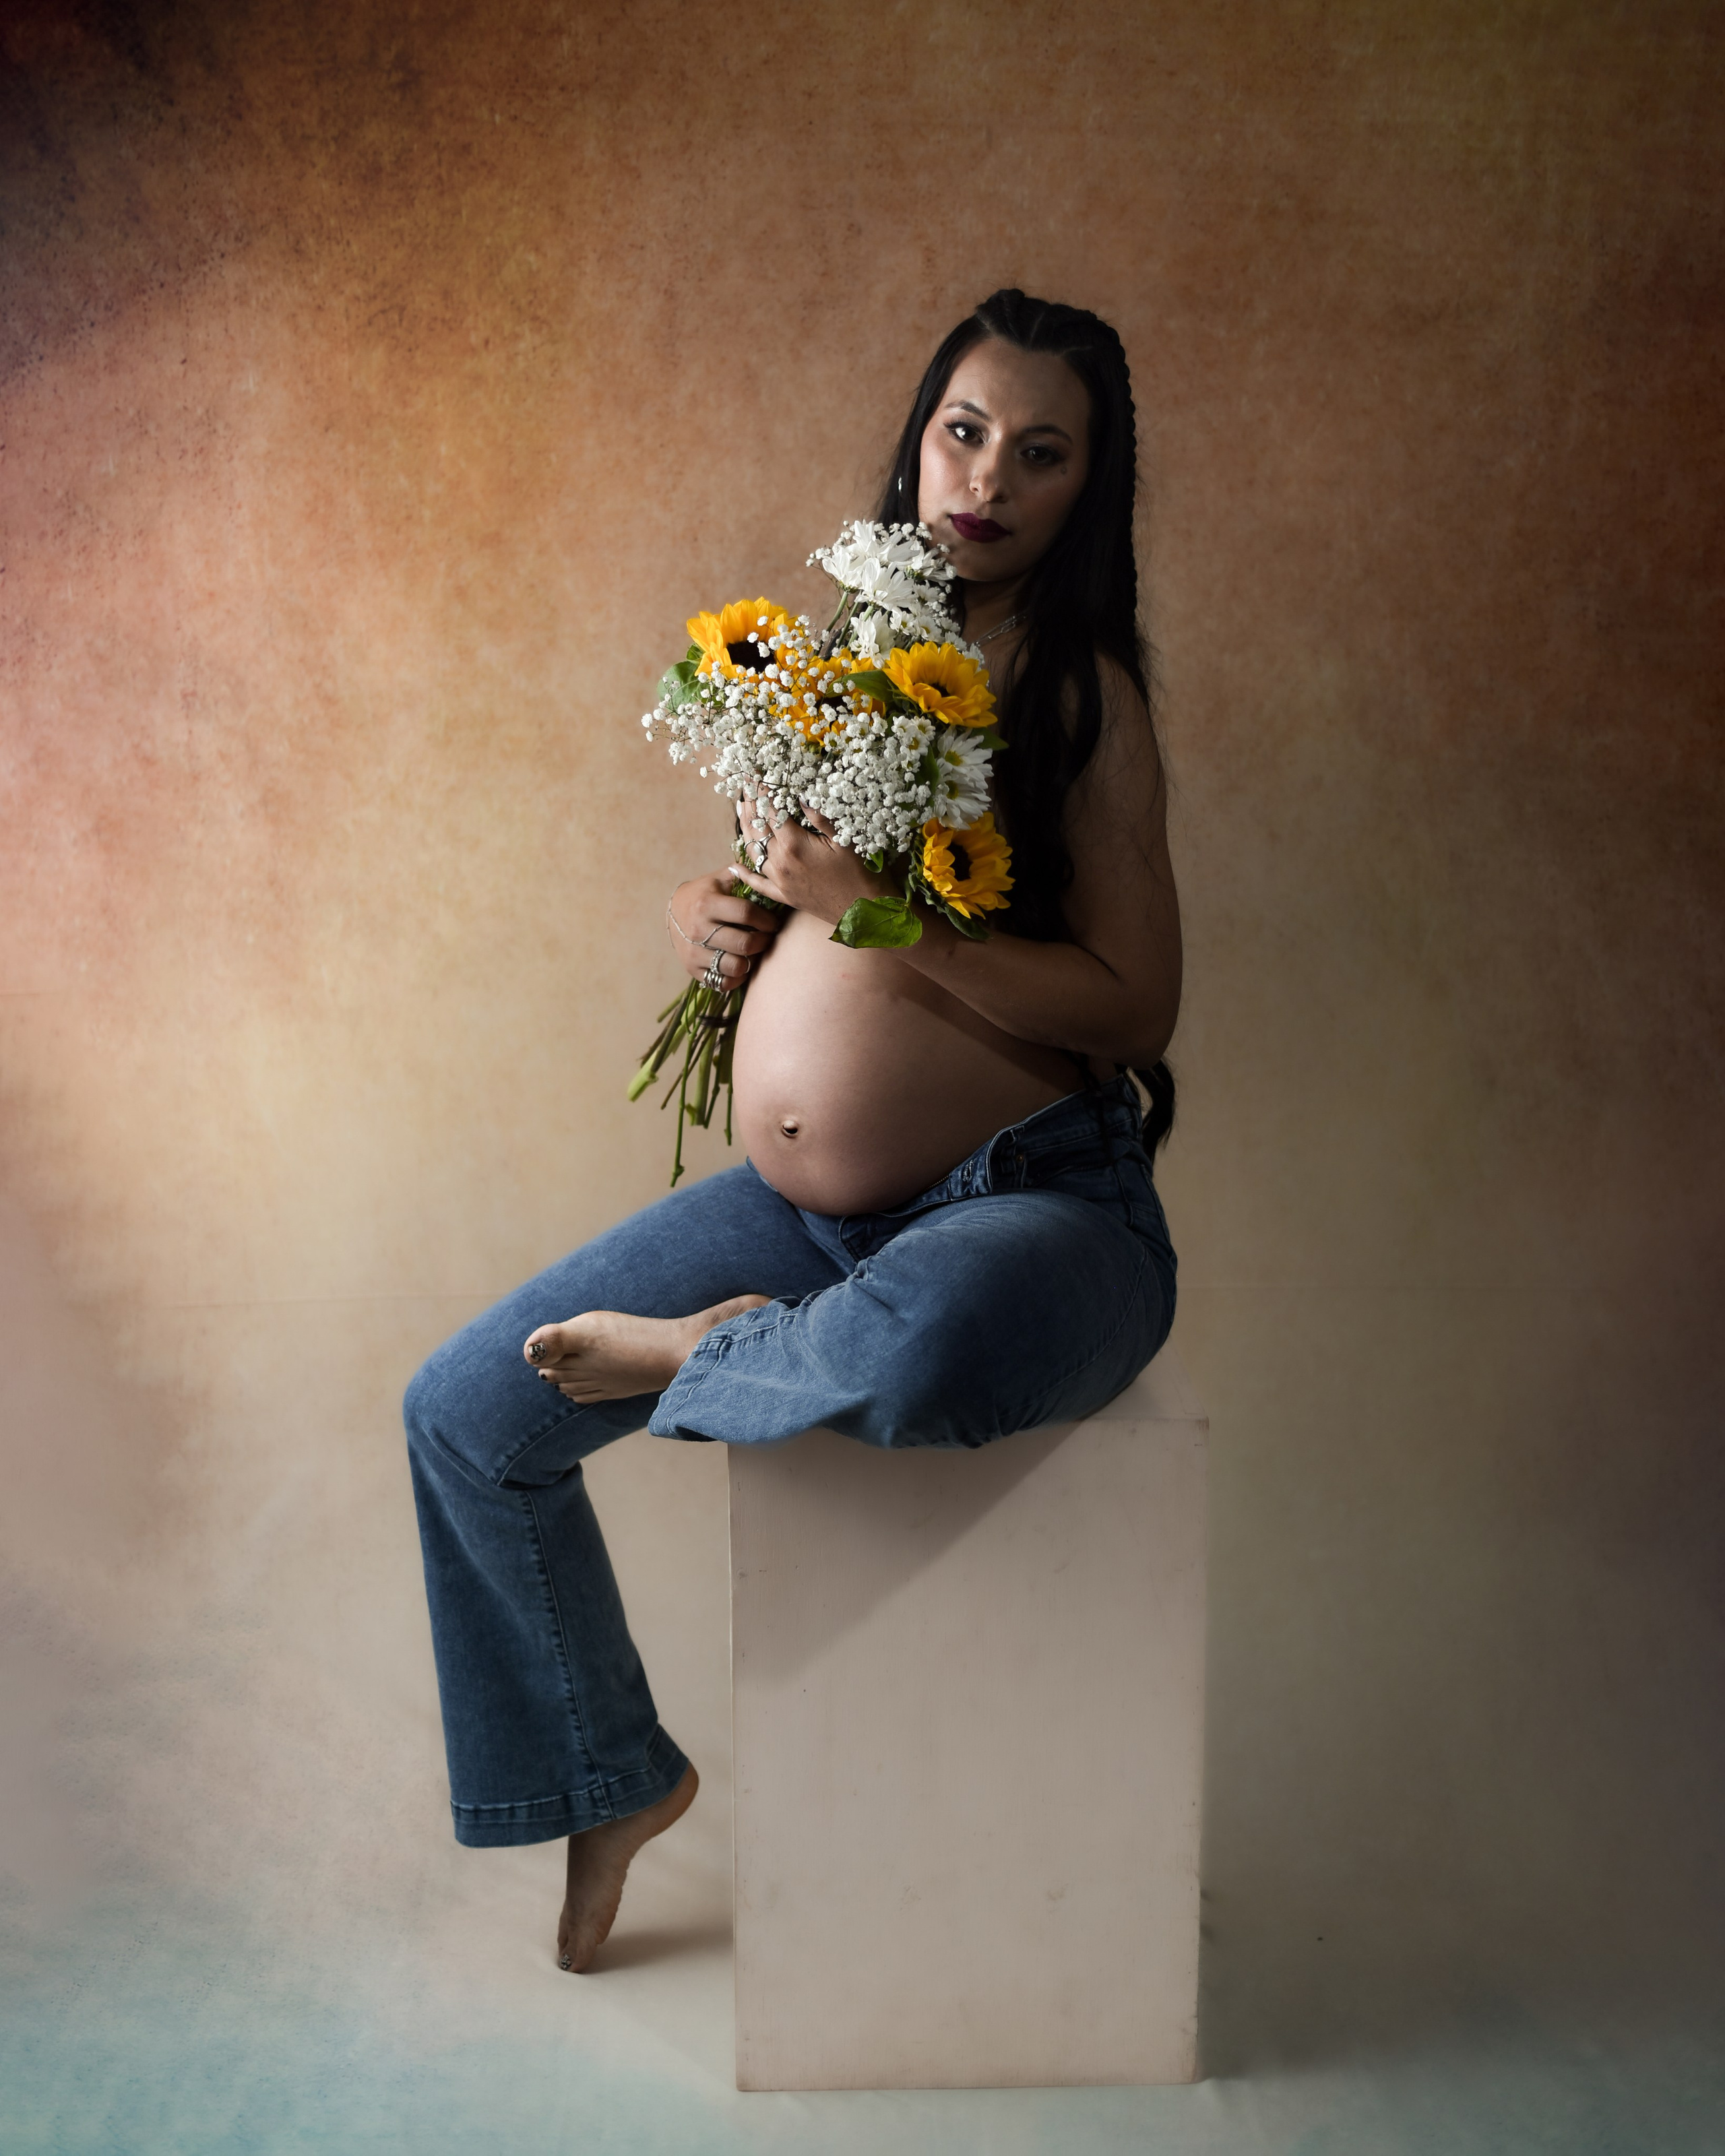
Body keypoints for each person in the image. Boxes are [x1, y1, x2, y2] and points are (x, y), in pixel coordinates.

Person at [404, 289, 1183, 1975]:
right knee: (465, 1416)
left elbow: (1132, 1009)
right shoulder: (848, 660)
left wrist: (892, 913)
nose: (983, 477)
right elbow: (792, 901)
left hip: (1031, 1208)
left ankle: (707, 1358)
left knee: (923, 1350)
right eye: (961, 430)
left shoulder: (1078, 698)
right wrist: (714, 911)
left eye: (1038, 455)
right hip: (808, 1216)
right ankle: (613, 1775)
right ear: (919, 431)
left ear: (1084, 491)